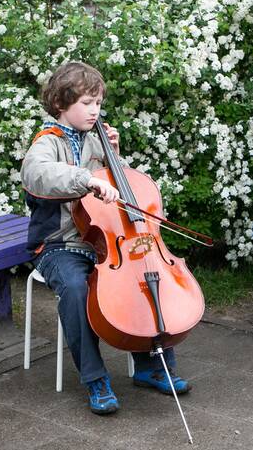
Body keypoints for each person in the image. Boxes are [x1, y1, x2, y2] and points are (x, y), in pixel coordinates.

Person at [21, 61, 193, 414]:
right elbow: (37, 174)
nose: (94, 110)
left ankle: (151, 367)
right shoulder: (46, 142)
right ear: (60, 105)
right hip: (60, 245)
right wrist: (86, 179)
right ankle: (95, 379)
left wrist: (113, 156)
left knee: (145, 277)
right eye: (86, 103)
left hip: (106, 243)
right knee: (75, 289)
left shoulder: (96, 140)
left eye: (97, 102)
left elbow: (123, 194)